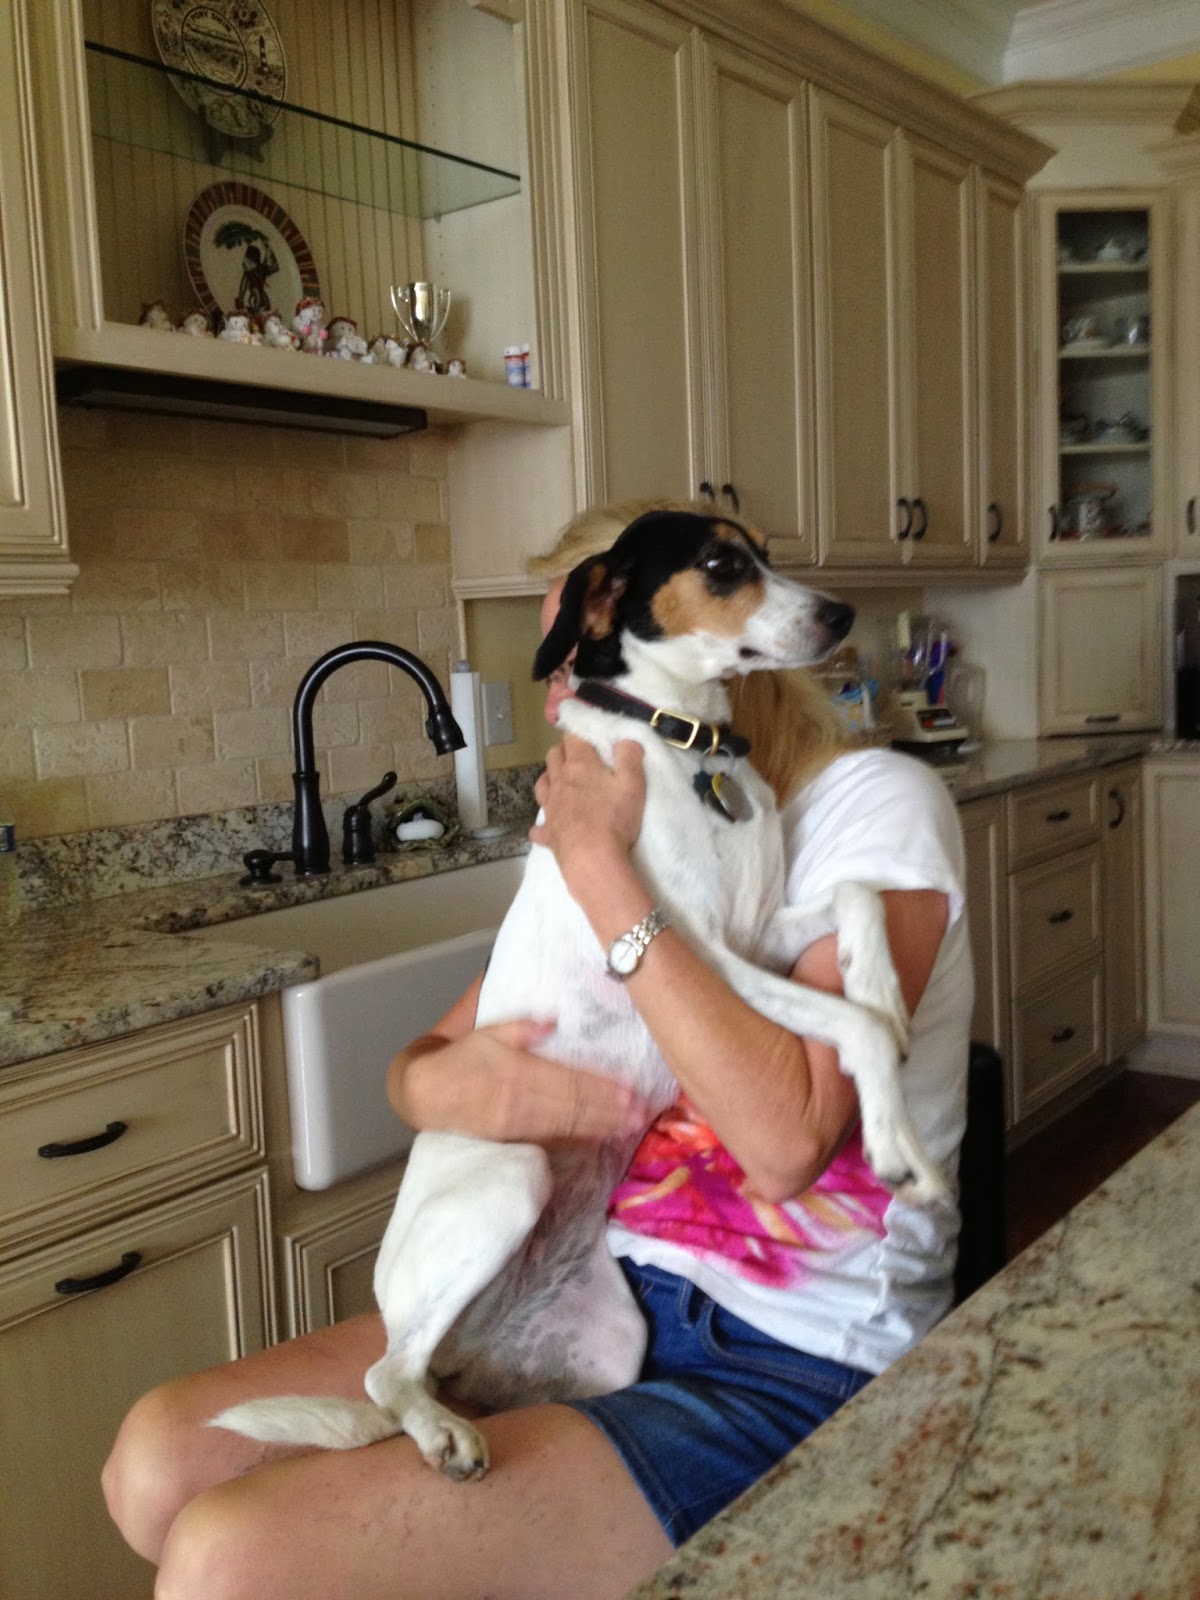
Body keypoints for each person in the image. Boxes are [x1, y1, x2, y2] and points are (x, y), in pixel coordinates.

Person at [101, 502, 972, 1600]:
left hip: (783, 1354)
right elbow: (426, 1062)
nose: (560, 687)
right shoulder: (633, 809)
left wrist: (600, 866)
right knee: (158, 1458)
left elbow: (786, 1143)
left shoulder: (873, 801)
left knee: (231, 1561)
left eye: (577, 648)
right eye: (560, 655)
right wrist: (447, 1085)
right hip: (579, 1281)